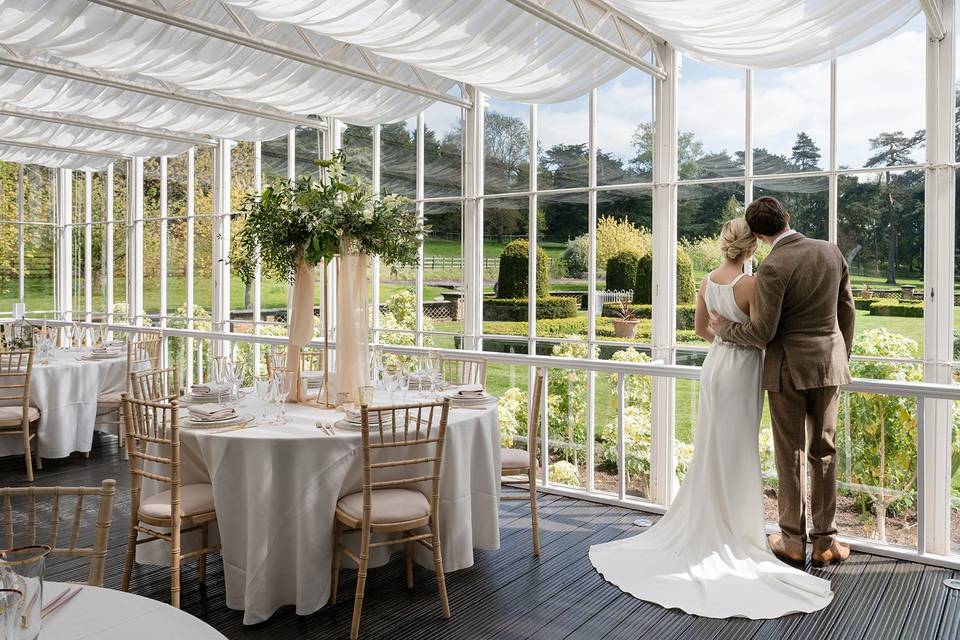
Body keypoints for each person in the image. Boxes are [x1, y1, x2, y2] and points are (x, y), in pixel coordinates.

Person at [589, 214, 834, 618]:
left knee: (712, 444)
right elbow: (763, 334)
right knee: (738, 448)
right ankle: (738, 527)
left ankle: (713, 517)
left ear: (725, 243)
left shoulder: (707, 280)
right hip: (742, 370)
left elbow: (705, 329)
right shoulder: (750, 284)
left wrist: (723, 336)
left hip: (715, 366)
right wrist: (741, 341)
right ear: (753, 246)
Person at [710, 196, 855, 568]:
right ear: (787, 217)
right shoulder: (831, 251)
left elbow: (762, 331)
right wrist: (841, 357)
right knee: (824, 451)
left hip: (786, 370)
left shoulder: (772, 266)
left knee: (789, 455)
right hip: (828, 367)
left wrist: (726, 330)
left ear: (757, 233)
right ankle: (826, 544)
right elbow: (847, 311)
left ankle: (792, 542)